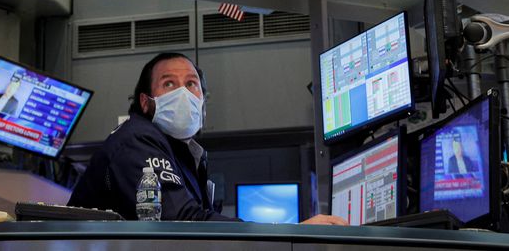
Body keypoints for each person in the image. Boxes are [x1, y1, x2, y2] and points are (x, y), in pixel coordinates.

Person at [68, 52, 347, 225]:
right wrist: (291, 234)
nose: (183, 93)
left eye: (191, 84)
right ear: (146, 102)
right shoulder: (137, 139)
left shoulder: (183, 154)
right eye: (169, 84)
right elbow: (182, 223)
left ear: (202, 100)